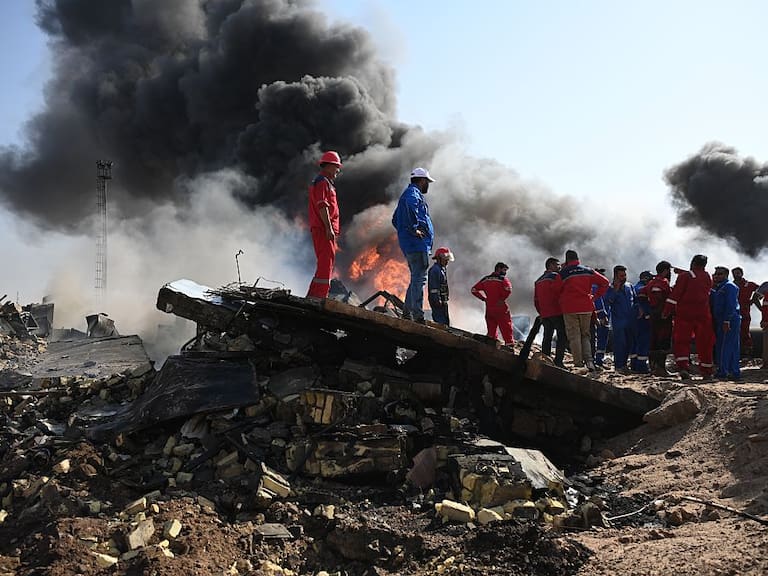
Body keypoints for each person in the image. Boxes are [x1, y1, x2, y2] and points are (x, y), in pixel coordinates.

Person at [553, 249, 609, 372]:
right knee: (586, 335)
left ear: (567, 260)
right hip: (586, 307)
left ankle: (578, 364)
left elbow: (555, 289)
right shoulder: (588, 270)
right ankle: (589, 361)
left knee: (574, 336)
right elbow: (605, 282)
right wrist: (594, 297)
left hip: (569, 308)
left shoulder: (564, 273)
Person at [392, 167, 435, 322]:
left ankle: (407, 312)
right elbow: (410, 208)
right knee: (419, 279)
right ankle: (417, 315)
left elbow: (395, 219)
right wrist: (413, 230)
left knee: (416, 278)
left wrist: (405, 234)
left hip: (412, 245)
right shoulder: (413, 194)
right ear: (422, 181)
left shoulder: (407, 194)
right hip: (417, 245)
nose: (428, 185)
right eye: (427, 182)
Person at [662, 254, 715, 380]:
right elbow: (696, 279)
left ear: (692, 262)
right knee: (705, 342)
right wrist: (684, 273)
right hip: (703, 314)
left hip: (685, 314)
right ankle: (707, 371)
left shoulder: (684, 277)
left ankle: (683, 367)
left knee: (681, 341)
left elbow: (675, 295)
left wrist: (666, 311)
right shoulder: (707, 276)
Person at [307, 151, 342, 298]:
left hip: (325, 229)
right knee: (326, 265)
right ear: (328, 166)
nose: (338, 170)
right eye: (336, 167)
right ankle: (320, 297)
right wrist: (328, 228)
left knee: (324, 264)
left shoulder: (326, 183)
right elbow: (323, 206)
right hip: (323, 229)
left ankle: (313, 295)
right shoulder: (322, 182)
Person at [604, 265, 638, 374]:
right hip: (619, 322)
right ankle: (619, 366)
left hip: (630, 321)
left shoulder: (630, 286)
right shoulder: (610, 288)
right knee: (620, 344)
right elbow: (608, 301)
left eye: (624, 275)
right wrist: (615, 290)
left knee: (628, 344)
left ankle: (624, 365)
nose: (623, 278)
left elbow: (636, 300)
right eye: (621, 276)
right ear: (615, 276)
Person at [642, 261, 673, 376]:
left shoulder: (650, 283)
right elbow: (668, 298)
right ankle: (661, 369)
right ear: (665, 271)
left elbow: (641, 294)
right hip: (663, 316)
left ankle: (653, 368)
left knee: (653, 341)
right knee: (662, 341)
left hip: (653, 316)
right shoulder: (663, 282)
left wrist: (646, 311)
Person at [472, 262, 515, 345]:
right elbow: (508, 289)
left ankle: (491, 344)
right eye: (504, 270)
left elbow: (473, 290)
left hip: (489, 307)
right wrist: (502, 299)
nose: (505, 272)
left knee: (491, 329)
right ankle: (509, 345)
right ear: (498, 269)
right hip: (500, 307)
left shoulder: (485, 279)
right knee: (506, 326)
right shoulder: (503, 279)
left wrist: (483, 299)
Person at [534, 257, 566, 367]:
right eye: (557, 265)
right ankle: (558, 362)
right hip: (557, 311)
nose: (559, 267)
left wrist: (541, 312)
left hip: (545, 313)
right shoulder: (556, 276)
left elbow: (536, 300)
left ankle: (545, 358)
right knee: (562, 337)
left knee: (547, 337)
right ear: (551, 265)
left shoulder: (538, 280)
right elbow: (561, 291)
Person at [711, 267, 741, 380]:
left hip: (729, 319)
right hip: (722, 319)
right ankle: (733, 371)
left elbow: (731, 304)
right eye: (715, 274)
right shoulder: (719, 287)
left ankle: (724, 371)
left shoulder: (729, 287)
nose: (717, 276)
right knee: (730, 344)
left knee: (726, 345)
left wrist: (727, 320)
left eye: (720, 274)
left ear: (726, 275)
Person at [732, 267, 761, 356]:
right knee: (734, 332)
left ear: (742, 273)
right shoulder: (730, 285)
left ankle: (748, 352)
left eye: (738, 273)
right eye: (734, 273)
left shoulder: (749, 284)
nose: (736, 275)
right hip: (732, 313)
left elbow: (761, 290)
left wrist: (754, 300)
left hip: (745, 312)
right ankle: (736, 352)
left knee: (745, 331)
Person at [632, 270, 653, 373]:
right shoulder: (642, 289)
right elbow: (643, 303)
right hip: (643, 320)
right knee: (643, 342)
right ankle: (641, 366)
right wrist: (648, 314)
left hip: (635, 320)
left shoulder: (635, 287)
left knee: (635, 342)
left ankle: (634, 364)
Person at [428, 247, 453, 326]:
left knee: (445, 321)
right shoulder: (435, 270)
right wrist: (437, 300)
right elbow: (434, 287)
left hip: (442, 301)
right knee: (440, 322)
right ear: (439, 258)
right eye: (445, 259)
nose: (447, 261)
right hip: (437, 301)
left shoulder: (442, 269)